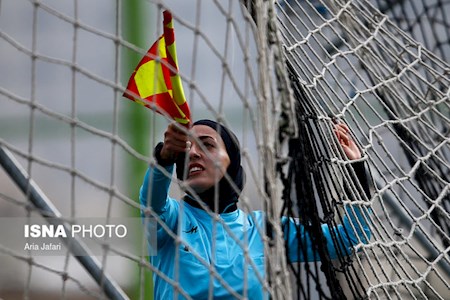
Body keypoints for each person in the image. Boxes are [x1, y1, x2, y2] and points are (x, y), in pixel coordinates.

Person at [140, 119, 371, 299]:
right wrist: (164, 158)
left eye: (207, 145)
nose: (192, 153)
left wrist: (356, 169)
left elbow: (350, 239)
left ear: (232, 161)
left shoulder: (264, 229)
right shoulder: (168, 221)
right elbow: (151, 203)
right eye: (186, 149)